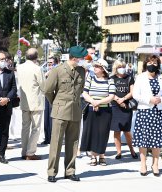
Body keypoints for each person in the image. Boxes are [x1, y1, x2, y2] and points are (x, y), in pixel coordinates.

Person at [45, 46, 88, 183]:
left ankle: (70, 171)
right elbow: (47, 90)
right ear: (74, 58)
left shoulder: (81, 71)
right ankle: (52, 171)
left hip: (75, 110)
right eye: (82, 58)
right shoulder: (57, 70)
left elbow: (80, 90)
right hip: (60, 111)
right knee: (56, 142)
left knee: (73, 142)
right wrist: (56, 104)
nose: (83, 61)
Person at [132, 54, 162, 177]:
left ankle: (155, 164)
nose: (152, 65)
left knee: (157, 140)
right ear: (145, 64)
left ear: (158, 65)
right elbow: (136, 95)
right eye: (149, 63)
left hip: (158, 112)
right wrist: (149, 99)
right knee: (143, 140)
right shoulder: (140, 77)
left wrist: (161, 99)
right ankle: (143, 163)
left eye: (154, 63)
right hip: (144, 111)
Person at [80, 58, 115, 166]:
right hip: (91, 109)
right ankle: (93, 156)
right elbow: (85, 93)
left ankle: (102, 156)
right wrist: (93, 102)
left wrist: (98, 102)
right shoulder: (90, 78)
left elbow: (111, 96)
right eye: (94, 66)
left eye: (97, 67)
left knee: (102, 133)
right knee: (91, 132)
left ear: (103, 69)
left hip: (105, 110)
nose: (94, 68)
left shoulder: (110, 80)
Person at [16, 48, 45, 160]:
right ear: (36, 57)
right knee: (36, 128)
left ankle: (24, 151)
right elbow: (43, 85)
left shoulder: (20, 67)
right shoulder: (37, 68)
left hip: (24, 101)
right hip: (36, 101)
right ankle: (30, 152)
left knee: (25, 127)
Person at [110, 60, 138, 160]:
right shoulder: (111, 78)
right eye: (119, 66)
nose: (122, 68)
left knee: (126, 130)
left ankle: (132, 150)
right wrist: (117, 100)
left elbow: (132, 91)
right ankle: (119, 152)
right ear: (115, 68)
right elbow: (110, 92)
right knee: (116, 130)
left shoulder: (129, 77)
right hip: (115, 106)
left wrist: (123, 99)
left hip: (126, 106)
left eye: (123, 66)